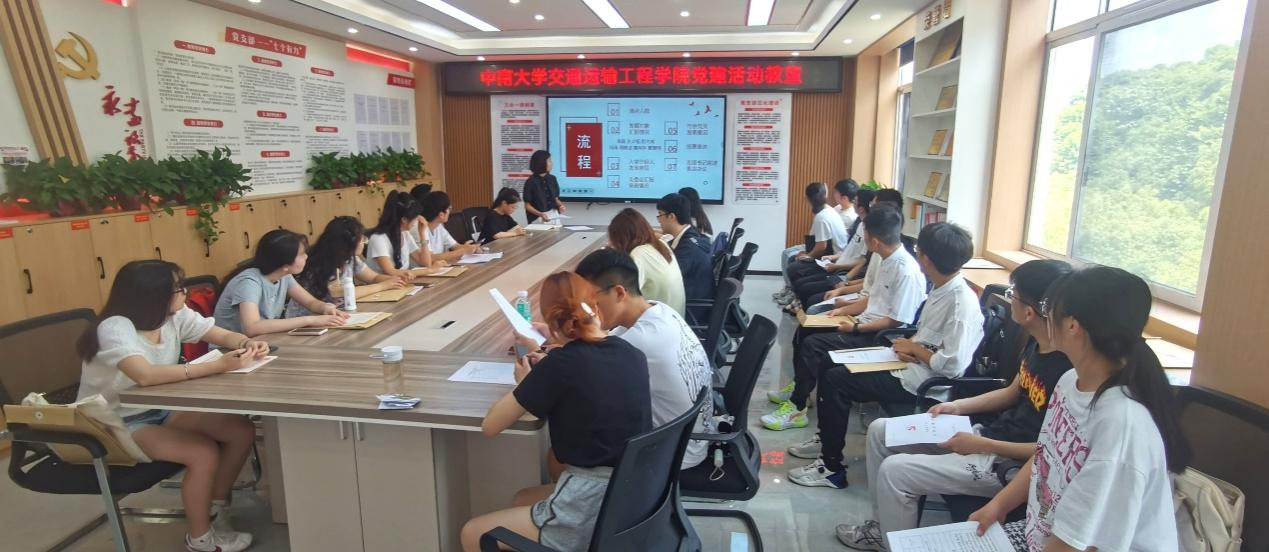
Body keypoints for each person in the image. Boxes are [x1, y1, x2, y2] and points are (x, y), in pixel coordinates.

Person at [836, 259, 1074, 550]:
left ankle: (893, 543)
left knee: (895, 470)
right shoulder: (1037, 343)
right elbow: (1012, 392)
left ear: (1029, 311)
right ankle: (882, 529)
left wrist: (982, 445)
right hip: (990, 435)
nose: (1010, 299)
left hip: (1008, 463)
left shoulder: (1067, 370)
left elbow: (1050, 452)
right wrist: (959, 407)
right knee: (880, 431)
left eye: (1013, 294)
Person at [969, 266, 1190, 552]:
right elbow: (1046, 454)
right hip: (1041, 536)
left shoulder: (1121, 424)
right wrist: (999, 505)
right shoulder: (1069, 380)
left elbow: (1083, 543)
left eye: (1049, 309)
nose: (1044, 316)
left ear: (1073, 326)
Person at [76, 260, 268, 552]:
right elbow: (144, 375)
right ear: (153, 295)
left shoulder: (173, 316)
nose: (185, 293)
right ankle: (201, 539)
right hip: (116, 423)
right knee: (202, 452)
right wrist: (217, 366)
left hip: (160, 409)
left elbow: (219, 334)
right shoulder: (115, 327)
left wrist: (245, 343)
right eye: (179, 288)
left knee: (240, 430)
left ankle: (215, 509)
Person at [460, 272, 651, 552]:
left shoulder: (559, 365)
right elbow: (583, 371)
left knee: (473, 533)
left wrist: (526, 383)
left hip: (592, 503)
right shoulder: (630, 351)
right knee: (522, 499)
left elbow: (491, 426)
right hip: (635, 492)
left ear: (551, 324)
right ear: (595, 308)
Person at [783, 222, 979, 491]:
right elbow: (928, 337)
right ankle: (826, 439)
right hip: (906, 362)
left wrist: (915, 349)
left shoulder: (960, 303)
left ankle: (831, 468)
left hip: (923, 382)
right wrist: (910, 346)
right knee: (829, 360)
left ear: (926, 258)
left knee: (837, 380)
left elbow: (953, 366)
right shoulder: (942, 287)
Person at [762, 205, 926, 431]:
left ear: (874, 240)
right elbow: (871, 299)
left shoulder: (906, 270)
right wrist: (842, 311)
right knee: (806, 329)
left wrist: (855, 329)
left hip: (880, 336)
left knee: (813, 345)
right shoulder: (886, 259)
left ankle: (796, 409)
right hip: (863, 322)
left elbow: (895, 321)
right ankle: (800, 389)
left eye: (865, 233)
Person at [575, 248, 715, 469]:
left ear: (619, 293)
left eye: (591, 302)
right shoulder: (660, 311)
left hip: (674, 458)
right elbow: (604, 342)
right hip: (694, 439)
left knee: (568, 442)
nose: (588, 312)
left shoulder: (639, 341)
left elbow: (579, 378)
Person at [214, 229, 348, 336]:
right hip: (229, 350)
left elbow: (311, 303)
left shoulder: (284, 276)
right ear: (285, 264)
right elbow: (252, 327)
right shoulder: (249, 283)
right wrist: (310, 320)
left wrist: (325, 308)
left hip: (260, 342)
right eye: (301, 254)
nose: (306, 256)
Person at [286, 216, 409, 317]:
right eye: (361, 239)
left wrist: (395, 280)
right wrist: (383, 286)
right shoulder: (321, 263)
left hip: (331, 314)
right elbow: (344, 294)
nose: (363, 243)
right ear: (349, 243)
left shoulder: (349, 258)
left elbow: (373, 277)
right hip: (307, 317)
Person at [774, 182, 850, 304]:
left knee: (794, 265)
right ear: (825, 195)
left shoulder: (822, 217)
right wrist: (806, 254)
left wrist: (808, 256)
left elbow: (821, 247)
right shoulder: (829, 210)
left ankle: (796, 298)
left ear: (807, 198)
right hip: (833, 253)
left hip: (832, 258)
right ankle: (794, 295)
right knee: (792, 257)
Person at [607, 208, 686, 315]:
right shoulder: (661, 244)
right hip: (674, 317)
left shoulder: (638, 254)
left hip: (657, 319)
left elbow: (622, 296)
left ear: (622, 238)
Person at [655, 193, 715, 307]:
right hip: (691, 300)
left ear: (671, 216)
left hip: (690, 308)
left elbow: (667, 279)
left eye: (660, 215)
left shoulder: (688, 248)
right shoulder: (689, 237)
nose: (659, 221)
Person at [365, 190, 442, 278]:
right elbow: (391, 272)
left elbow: (425, 263)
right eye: (415, 217)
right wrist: (430, 270)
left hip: (402, 283)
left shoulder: (405, 234)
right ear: (404, 219)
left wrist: (422, 234)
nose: (418, 220)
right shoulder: (378, 239)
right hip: (386, 285)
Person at [419, 190, 481, 263]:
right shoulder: (421, 228)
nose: (450, 211)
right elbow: (431, 258)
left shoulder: (439, 226)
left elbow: (455, 246)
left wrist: (472, 248)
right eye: (449, 208)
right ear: (441, 214)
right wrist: (463, 251)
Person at [523, 150, 565, 224]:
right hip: (538, 217)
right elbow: (527, 206)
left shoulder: (552, 179)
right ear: (541, 163)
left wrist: (561, 205)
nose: (552, 163)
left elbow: (556, 199)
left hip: (553, 214)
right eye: (549, 161)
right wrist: (540, 214)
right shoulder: (531, 182)